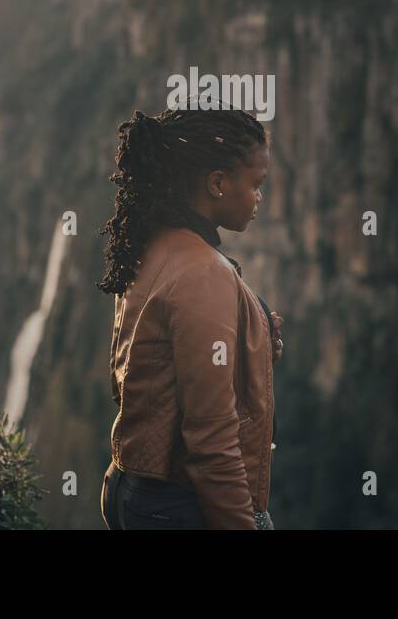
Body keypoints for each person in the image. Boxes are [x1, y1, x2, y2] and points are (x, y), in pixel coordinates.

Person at [97, 103, 283, 529]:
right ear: (217, 183)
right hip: (179, 506)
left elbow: (151, 363)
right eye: (256, 184)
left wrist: (254, 341)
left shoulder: (151, 246)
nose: (259, 198)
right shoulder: (204, 273)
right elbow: (212, 441)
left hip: (130, 488)